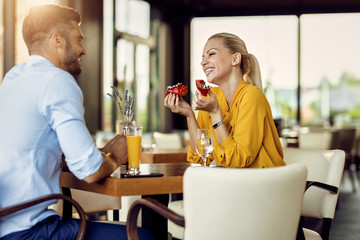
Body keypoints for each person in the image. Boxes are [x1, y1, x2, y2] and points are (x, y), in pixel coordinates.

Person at [0, 4, 153, 240]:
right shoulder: (57, 80)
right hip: (30, 231)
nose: (83, 49)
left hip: (6, 224)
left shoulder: (12, 78)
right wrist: (115, 156)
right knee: (142, 236)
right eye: (78, 39)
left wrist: (83, 156)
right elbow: (90, 171)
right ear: (57, 40)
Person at [164, 32, 285, 168]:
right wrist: (189, 115)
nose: (203, 62)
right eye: (202, 57)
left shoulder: (252, 96)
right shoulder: (211, 96)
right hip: (234, 183)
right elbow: (201, 155)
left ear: (235, 59)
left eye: (211, 54)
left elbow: (238, 159)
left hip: (265, 183)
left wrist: (215, 113)